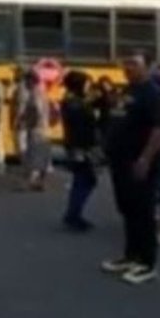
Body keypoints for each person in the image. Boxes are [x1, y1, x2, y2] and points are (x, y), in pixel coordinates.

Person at [101, 54, 160, 285]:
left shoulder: (153, 95)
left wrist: (145, 159)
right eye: (126, 63)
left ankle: (147, 264)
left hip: (140, 164)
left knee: (143, 212)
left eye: (134, 64)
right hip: (120, 161)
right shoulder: (128, 91)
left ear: (148, 67)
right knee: (127, 209)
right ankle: (131, 256)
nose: (128, 68)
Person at [61, 70, 99, 232]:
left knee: (82, 179)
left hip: (76, 145)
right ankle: (73, 214)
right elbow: (84, 123)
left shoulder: (71, 101)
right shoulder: (76, 104)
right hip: (80, 146)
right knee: (85, 179)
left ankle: (73, 212)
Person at [16, 69, 52, 191]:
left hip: (37, 128)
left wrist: (30, 122)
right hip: (43, 128)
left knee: (34, 154)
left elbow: (37, 110)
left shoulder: (35, 93)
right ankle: (40, 182)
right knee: (42, 154)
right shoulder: (41, 92)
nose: (25, 83)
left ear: (31, 80)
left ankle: (32, 182)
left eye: (26, 80)